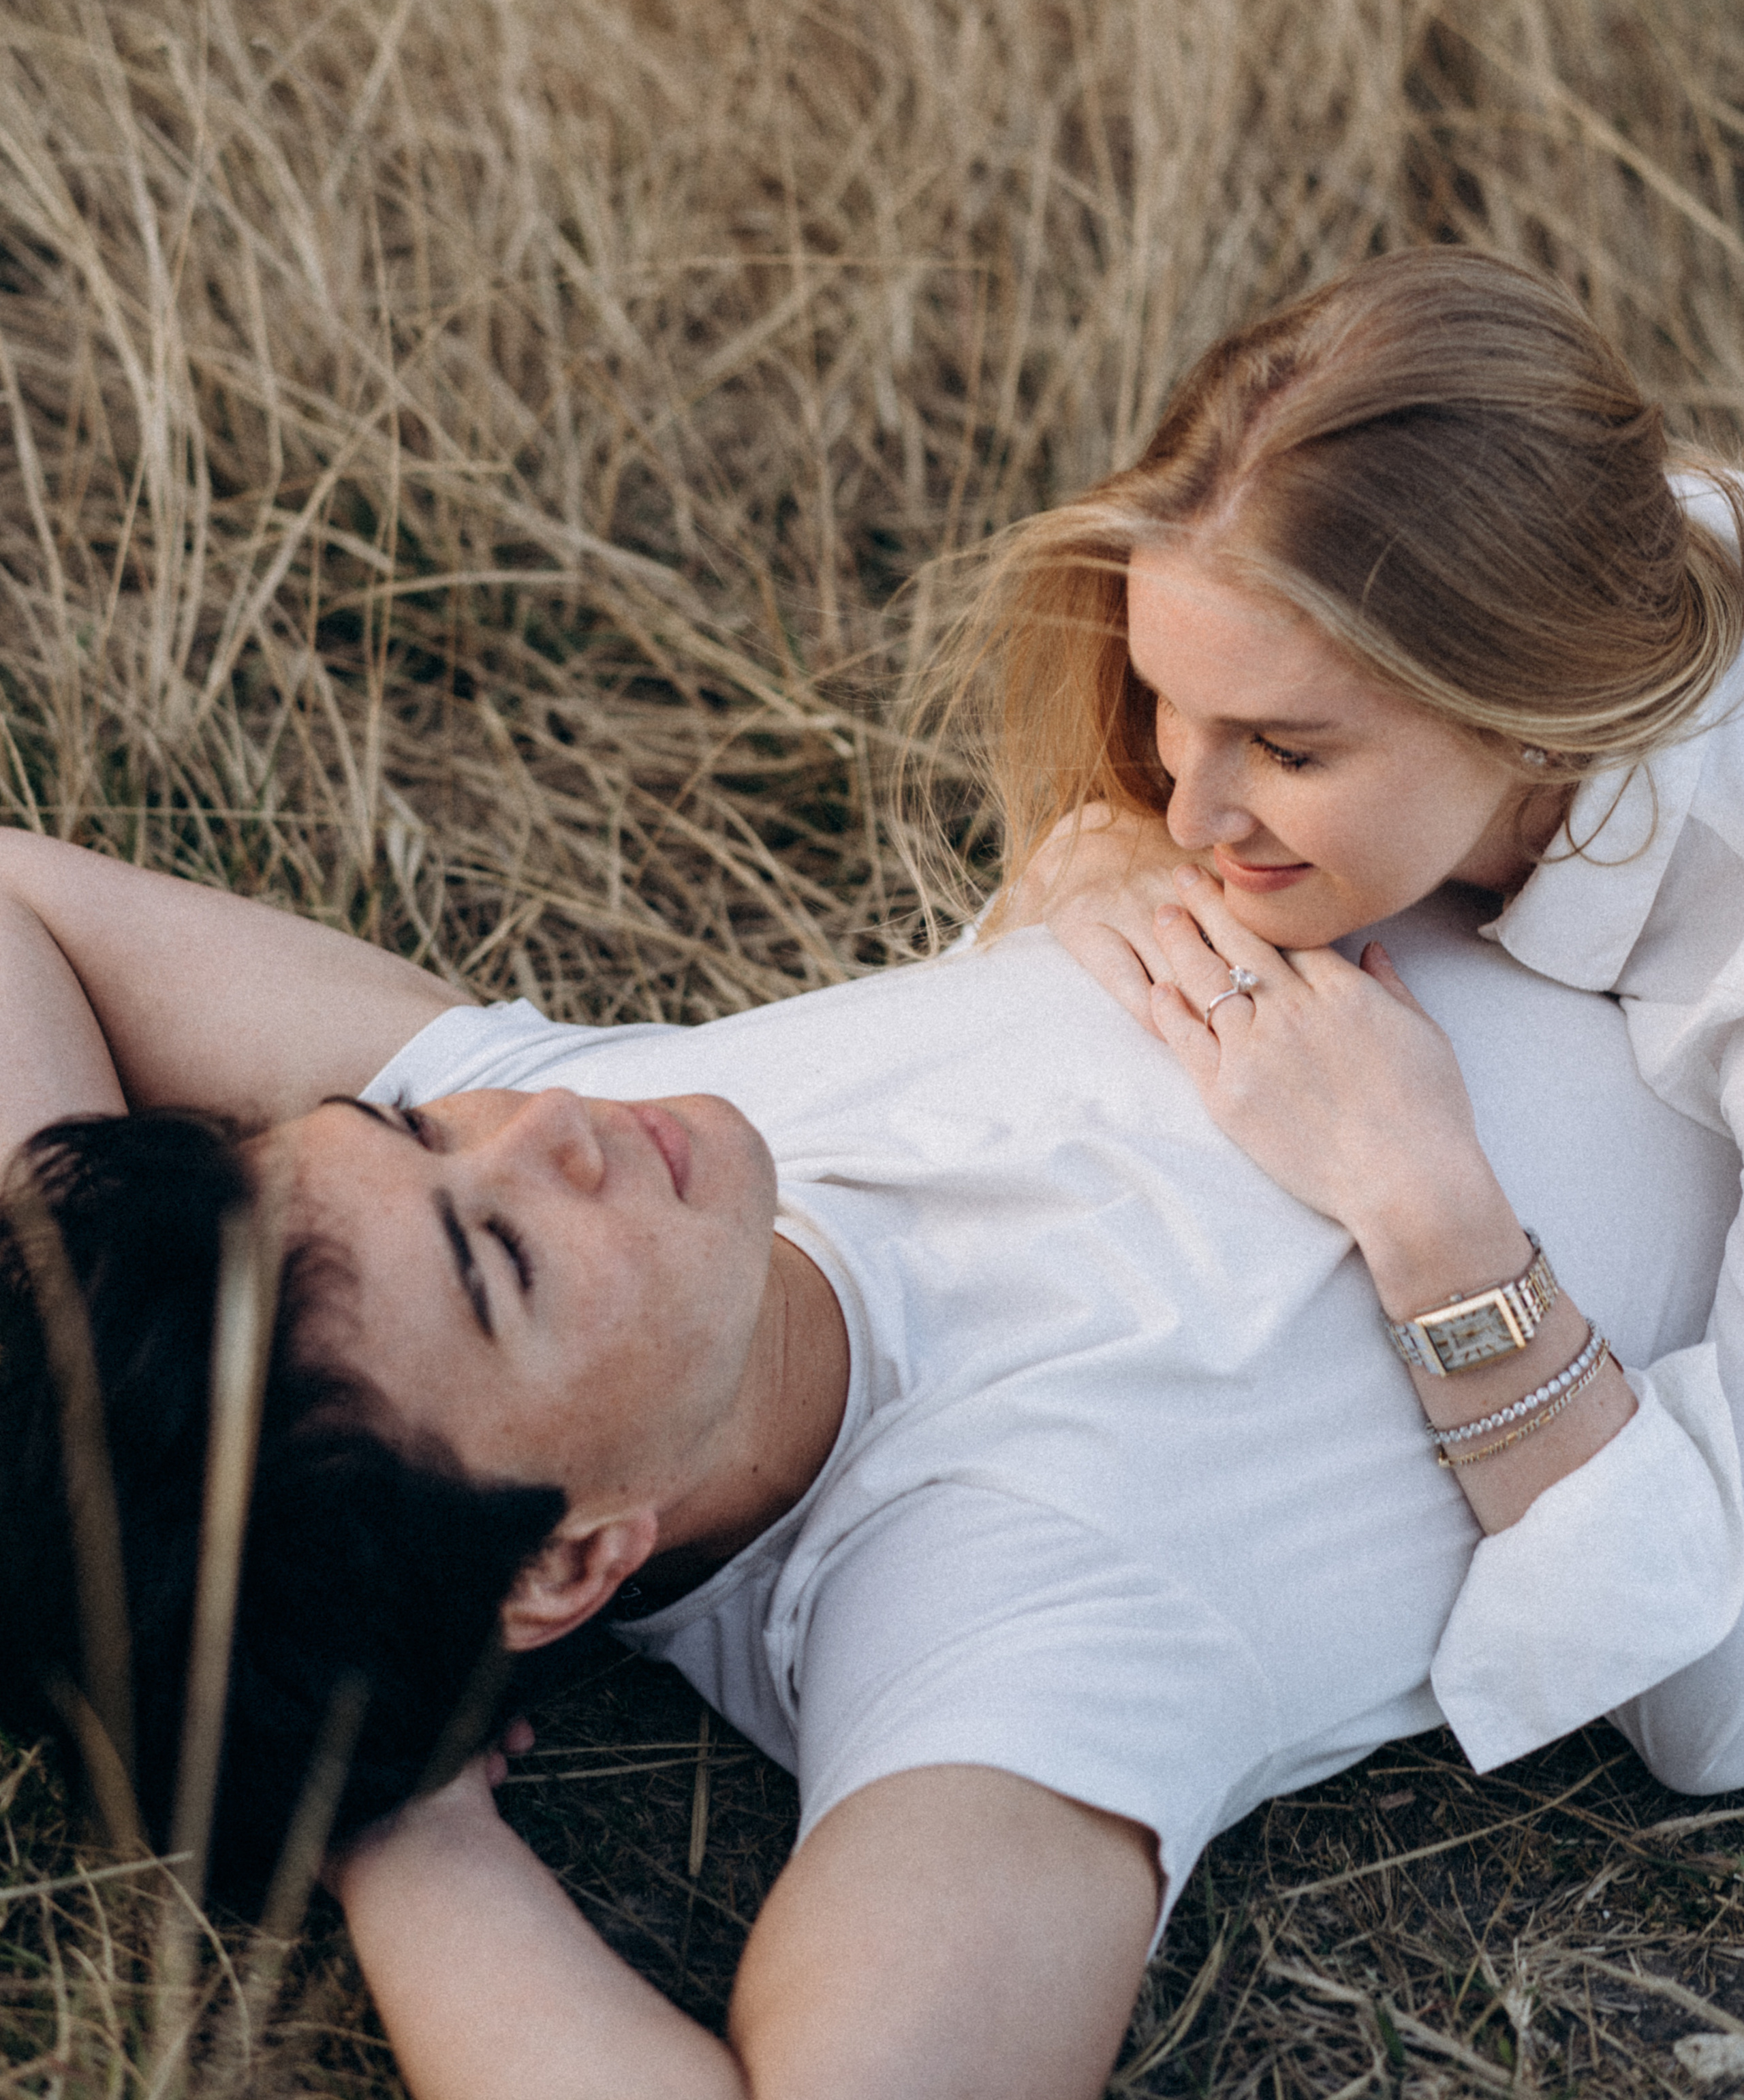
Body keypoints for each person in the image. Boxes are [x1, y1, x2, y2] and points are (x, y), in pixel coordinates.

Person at [0, 827, 1740, 2100]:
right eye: (499, 1262)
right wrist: (382, 1813)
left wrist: (56, 1353)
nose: (541, 1127)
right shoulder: (998, 1629)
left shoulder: (630, 1129)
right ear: (562, 1565)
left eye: (411, 1129)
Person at [967, 241, 1744, 1795]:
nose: (1186, 806)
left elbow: (1713, 1704)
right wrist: (1093, 848)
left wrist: (1430, 1217)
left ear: (1529, 709)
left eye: (1284, 748)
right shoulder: (1585, 540)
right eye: (1165, 710)